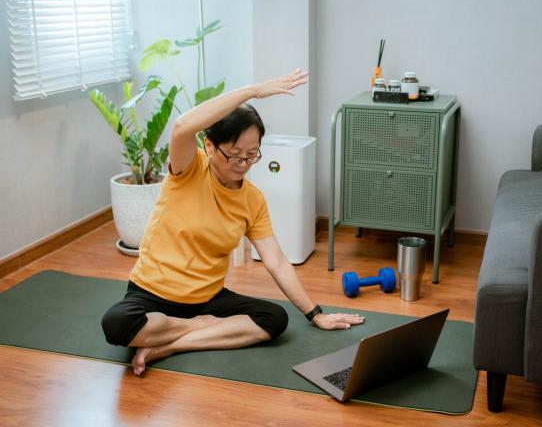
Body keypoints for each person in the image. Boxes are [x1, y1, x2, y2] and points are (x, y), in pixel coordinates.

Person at [101, 69, 364, 376]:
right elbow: (183, 126)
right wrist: (251, 90)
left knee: (274, 319)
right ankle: (199, 328)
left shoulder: (253, 199)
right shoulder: (189, 169)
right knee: (116, 324)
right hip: (151, 293)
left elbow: (276, 260)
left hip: (206, 298)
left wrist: (315, 314)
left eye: (252, 155)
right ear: (210, 146)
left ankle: (171, 344)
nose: (243, 164)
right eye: (234, 154)